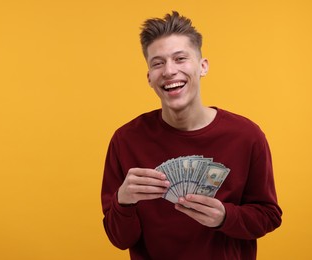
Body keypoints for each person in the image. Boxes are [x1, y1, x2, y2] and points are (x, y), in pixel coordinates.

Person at [101, 11, 282, 260]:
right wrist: (123, 201)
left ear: (203, 66)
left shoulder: (247, 136)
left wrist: (226, 217)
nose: (169, 71)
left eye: (180, 58)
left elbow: (269, 216)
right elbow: (120, 239)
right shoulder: (125, 140)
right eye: (157, 63)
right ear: (149, 78)